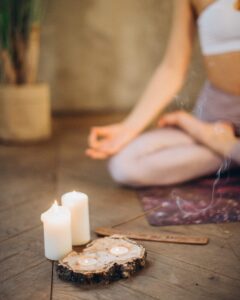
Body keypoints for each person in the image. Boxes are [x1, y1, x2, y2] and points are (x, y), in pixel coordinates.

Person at [86, 0, 240, 186]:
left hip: (213, 133)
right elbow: (172, 68)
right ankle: (229, 151)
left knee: (225, 144)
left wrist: (224, 144)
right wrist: (129, 127)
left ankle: (227, 147)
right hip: (215, 118)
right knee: (125, 165)